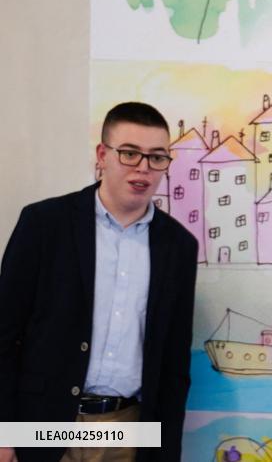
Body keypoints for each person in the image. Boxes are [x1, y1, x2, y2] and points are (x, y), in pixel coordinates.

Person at [0, 102, 199, 462]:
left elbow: (173, 364)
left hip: (129, 429)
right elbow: (4, 335)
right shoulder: (44, 225)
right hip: (42, 426)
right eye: (129, 154)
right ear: (102, 154)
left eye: (157, 157)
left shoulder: (178, 247)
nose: (143, 168)